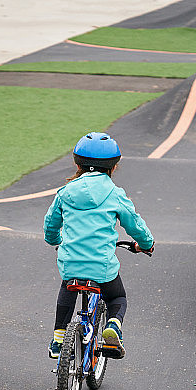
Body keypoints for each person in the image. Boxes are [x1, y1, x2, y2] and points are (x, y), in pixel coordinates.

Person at [43, 132, 154, 359]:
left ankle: (59, 337)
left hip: (71, 263)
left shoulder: (65, 193)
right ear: (113, 167)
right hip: (102, 267)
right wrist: (146, 244)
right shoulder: (114, 194)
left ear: (77, 163)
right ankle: (112, 325)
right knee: (117, 298)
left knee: (67, 286)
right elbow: (134, 224)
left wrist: (55, 240)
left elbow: (50, 224)